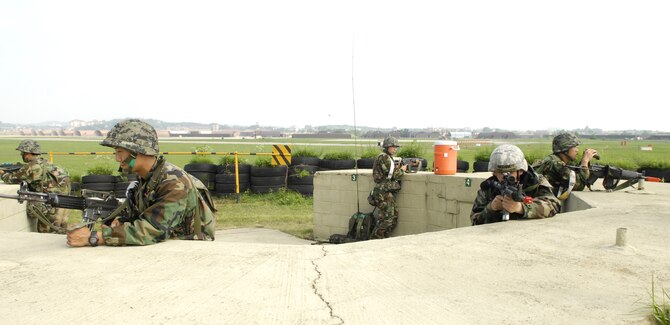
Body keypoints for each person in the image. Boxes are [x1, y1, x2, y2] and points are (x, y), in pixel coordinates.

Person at [66, 119, 217, 247]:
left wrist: (95, 237)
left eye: (120, 152)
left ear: (137, 151)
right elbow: (140, 217)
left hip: (190, 249)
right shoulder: (146, 179)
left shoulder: (174, 182)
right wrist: (118, 224)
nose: (117, 159)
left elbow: (152, 230)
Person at [471, 144, 560, 225]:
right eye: (501, 173)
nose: (505, 176)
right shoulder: (488, 187)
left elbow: (554, 205)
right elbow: (475, 221)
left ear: (520, 171)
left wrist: (521, 208)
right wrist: (491, 208)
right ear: (494, 173)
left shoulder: (535, 181)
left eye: (510, 172)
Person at [0, 139, 71, 233]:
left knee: (45, 236)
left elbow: (10, 179)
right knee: (61, 233)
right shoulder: (48, 163)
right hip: (63, 204)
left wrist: (2, 173)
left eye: (22, 153)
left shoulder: (32, 166)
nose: (22, 155)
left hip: (49, 207)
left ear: (28, 153)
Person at [532, 132, 599, 200]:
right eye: (574, 147)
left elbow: (574, 175)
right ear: (565, 149)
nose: (577, 150)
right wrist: (585, 162)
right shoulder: (556, 164)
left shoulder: (553, 160)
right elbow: (579, 185)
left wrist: (582, 164)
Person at [367, 136, 407, 239]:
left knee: (393, 218)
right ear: (387, 147)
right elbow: (394, 175)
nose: (395, 149)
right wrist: (402, 169)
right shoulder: (384, 157)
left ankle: (383, 238)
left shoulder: (388, 158)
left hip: (387, 192)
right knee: (387, 219)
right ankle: (375, 239)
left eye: (396, 147)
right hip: (383, 193)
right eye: (393, 147)